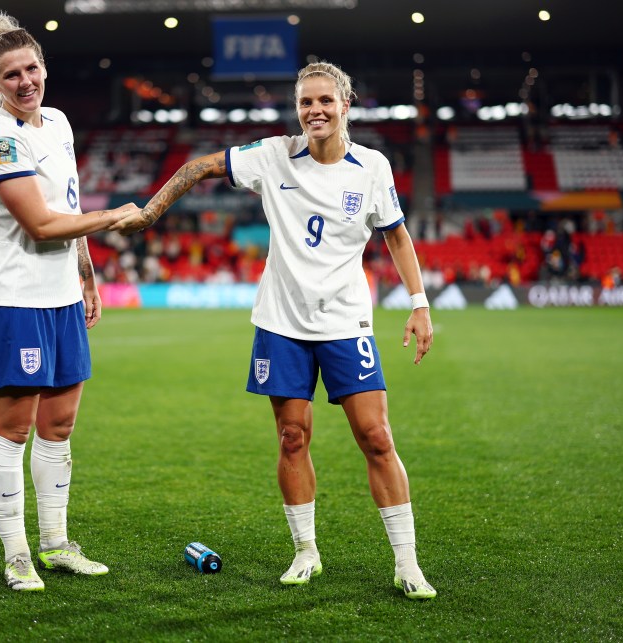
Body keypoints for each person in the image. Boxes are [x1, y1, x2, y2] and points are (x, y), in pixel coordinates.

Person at [113, 61, 437, 600]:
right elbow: (199, 167)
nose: (315, 111)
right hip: (280, 323)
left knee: (377, 438)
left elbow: (396, 238)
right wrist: (151, 212)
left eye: (325, 101)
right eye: (306, 102)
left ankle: (407, 563)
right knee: (293, 437)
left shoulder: (372, 168)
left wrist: (419, 303)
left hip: (345, 321)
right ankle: (305, 552)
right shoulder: (273, 155)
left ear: (345, 105)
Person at [0, 12, 136, 592]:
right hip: (15, 300)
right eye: (11, 74)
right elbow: (41, 224)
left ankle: (57, 544)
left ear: (45, 68)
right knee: (13, 430)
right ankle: (18, 554)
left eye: (32, 68)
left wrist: (88, 273)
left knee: (59, 426)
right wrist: (116, 216)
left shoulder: (59, 123)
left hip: (63, 297)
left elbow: (68, 205)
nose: (25, 81)